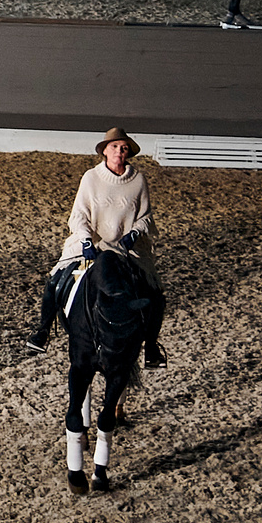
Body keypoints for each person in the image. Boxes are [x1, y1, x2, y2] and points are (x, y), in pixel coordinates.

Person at [25, 127, 168, 366]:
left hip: (126, 248)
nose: (119, 152)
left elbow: (145, 216)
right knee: (56, 279)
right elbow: (78, 215)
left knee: (154, 292)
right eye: (115, 147)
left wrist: (134, 233)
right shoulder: (90, 178)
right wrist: (85, 239)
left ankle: (151, 347)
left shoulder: (138, 180)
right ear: (105, 151)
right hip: (91, 244)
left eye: (124, 148)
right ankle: (43, 331)